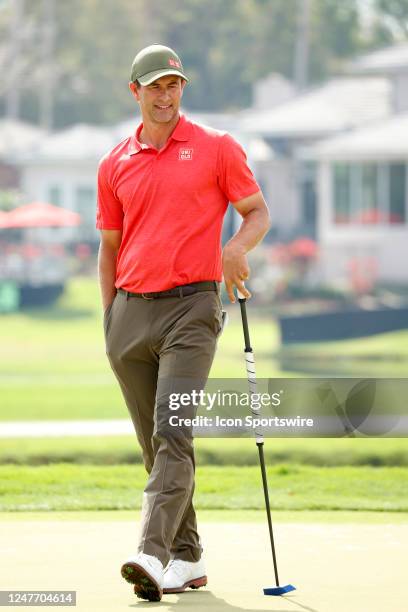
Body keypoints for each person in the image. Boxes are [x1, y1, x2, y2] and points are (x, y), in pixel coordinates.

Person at [96, 43, 270, 602]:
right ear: (135, 92)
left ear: (181, 89)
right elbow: (109, 248)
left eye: (173, 85)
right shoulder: (114, 162)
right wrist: (109, 319)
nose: (165, 95)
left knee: (173, 431)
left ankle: (151, 551)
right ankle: (188, 559)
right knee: (156, 443)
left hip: (192, 308)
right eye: (154, 86)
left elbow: (256, 211)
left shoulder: (217, 148)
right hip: (128, 311)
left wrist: (237, 249)